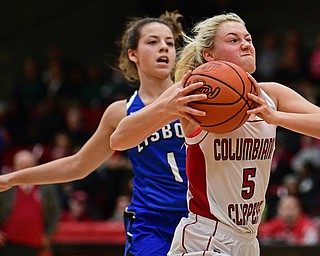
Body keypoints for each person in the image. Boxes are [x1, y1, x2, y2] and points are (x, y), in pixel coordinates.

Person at [110, 12, 320, 256]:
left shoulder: (272, 94)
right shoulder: (195, 92)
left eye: (248, 38)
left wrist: (276, 118)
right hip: (206, 238)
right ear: (209, 55)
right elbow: (119, 139)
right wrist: (165, 107)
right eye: (233, 40)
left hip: (249, 240)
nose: (245, 44)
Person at [0, 11, 205, 256]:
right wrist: (12, 179)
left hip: (201, 215)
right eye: (153, 42)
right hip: (151, 222)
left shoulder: (197, 95)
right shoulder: (120, 112)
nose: (164, 48)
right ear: (133, 54)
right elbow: (78, 164)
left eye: (169, 43)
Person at [0, 149, 60, 256]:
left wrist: (49, 234)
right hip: (7, 245)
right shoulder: (5, 187)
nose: (25, 170)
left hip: (35, 245)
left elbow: (54, 212)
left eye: (29, 166)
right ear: (15, 167)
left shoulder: (46, 187)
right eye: (22, 166)